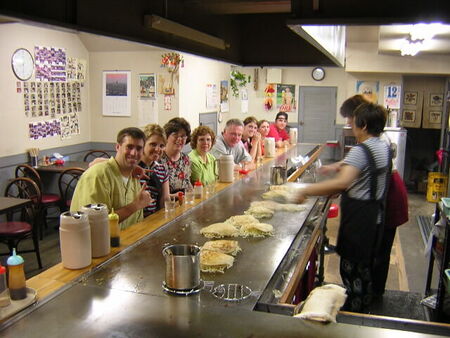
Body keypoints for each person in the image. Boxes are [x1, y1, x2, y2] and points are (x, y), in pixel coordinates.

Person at [295, 102, 391, 312]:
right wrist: (339, 168)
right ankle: (364, 305)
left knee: (352, 270)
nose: (350, 125)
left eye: (353, 121)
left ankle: (354, 315)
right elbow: (364, 171)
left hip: (359, 220)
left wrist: (304, 190)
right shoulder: (383, 145)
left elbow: (341, 182)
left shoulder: (361, 149)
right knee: (364, 268)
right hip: (375, 217)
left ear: (363, 124)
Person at [71, 127, 152, 230]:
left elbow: (136, 222)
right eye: (129, 147)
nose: (134, 153)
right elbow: (96, 224)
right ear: (118, 147)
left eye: (139, 148)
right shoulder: (97, 175)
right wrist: (135, 205)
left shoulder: (134, 176)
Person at [139, 124, 170, 216]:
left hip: (153, 218)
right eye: (153, 144)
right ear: (143, 144)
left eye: (161, 146)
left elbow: (165, 200)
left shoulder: (162, 169)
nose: (157, 149)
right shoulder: (132, 168)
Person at [160, 117, 192, 195]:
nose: (179, 139)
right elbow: (155, 194)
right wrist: (173, 196)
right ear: (166, 136)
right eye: (175, 135)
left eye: (183, 136)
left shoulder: (186, 159)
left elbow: (188, 185)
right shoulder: (158, 159)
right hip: (166, 205)